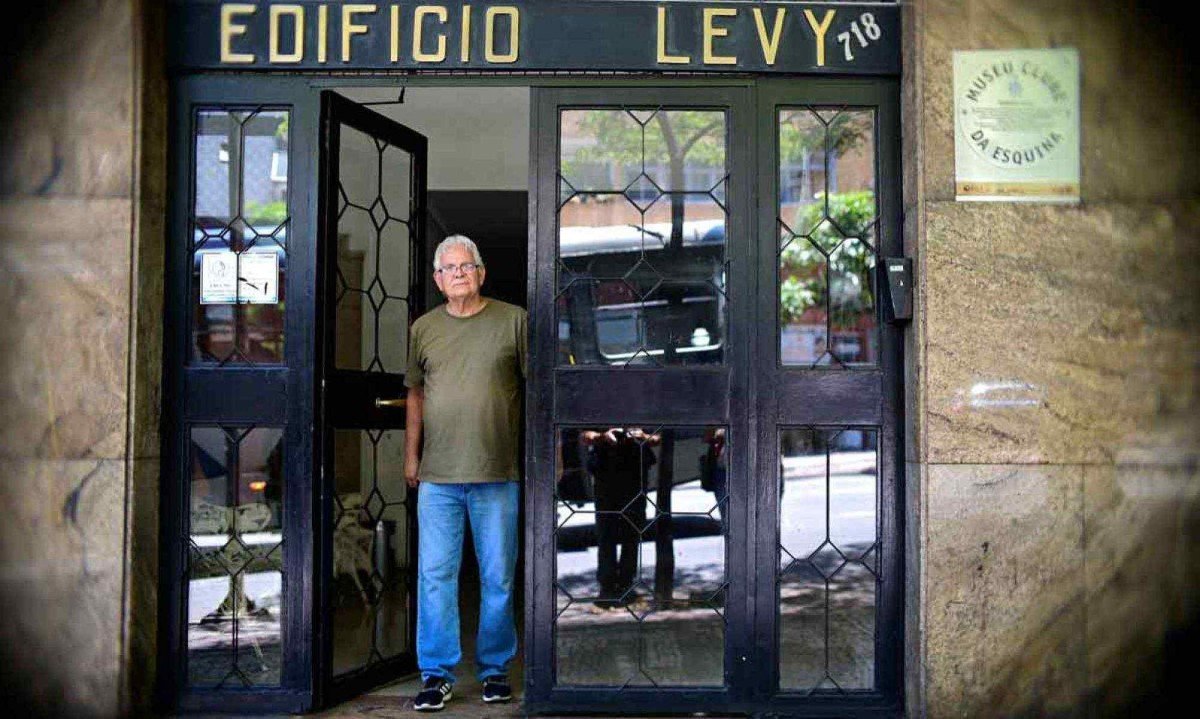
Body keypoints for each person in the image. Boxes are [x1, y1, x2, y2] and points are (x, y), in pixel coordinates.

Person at [403, 235, 527, 712]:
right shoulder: (424, 329)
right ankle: (436, 675)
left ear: (481, 272)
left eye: (466, 266)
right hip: (438, 477)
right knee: (436, 576)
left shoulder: (513, 321)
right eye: (449, 268)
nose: (458, 273)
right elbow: (415, 394)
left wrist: (548, 455)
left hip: (498, 472)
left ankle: (495, 671)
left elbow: (540, 391)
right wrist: (410, 457)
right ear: (437, 279)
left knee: (497, 577)